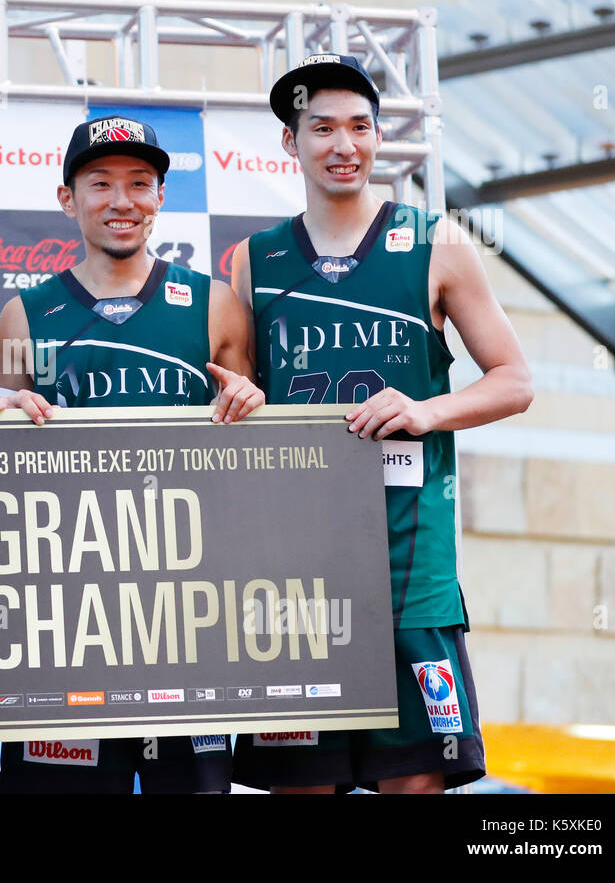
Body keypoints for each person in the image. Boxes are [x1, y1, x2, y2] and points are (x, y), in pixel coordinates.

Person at [228, 53, 533, 793]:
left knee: (416, 782)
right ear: (290, 144)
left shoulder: (436, 242)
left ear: (378, 137)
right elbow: (234, 406)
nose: (344, 145)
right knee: (301, 782)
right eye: (323, 127)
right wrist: (239, 405)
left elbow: (515, 380)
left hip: (409, 564)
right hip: (298, 572)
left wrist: (425, 409)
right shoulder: (253, 261)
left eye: (360, 127)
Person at [0, 114, 264, 794]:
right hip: (66, 619)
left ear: (162, 196)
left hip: (186, 615)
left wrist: (254, 409)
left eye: (140, 183)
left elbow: (260, 456)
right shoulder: (28, 313)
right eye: (101, 183)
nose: (122, 201)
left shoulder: (215, 305)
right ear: (67, 198)